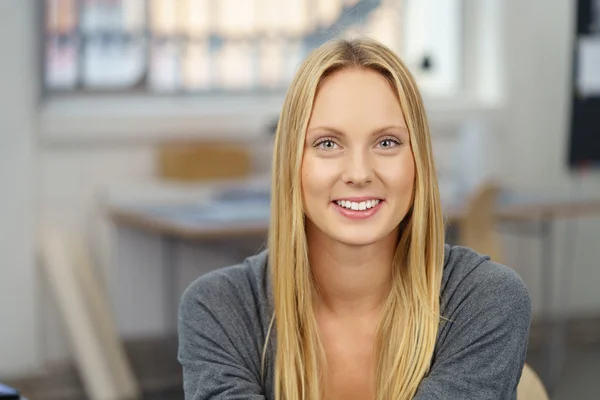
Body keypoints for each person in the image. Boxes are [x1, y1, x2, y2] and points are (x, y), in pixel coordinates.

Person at [178, 37, 531, 400]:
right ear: (292, 165)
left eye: (387, 142)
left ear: (418, 162)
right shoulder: (218, 310)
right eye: (328, 144)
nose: (359, 173)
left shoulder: (486, 302)